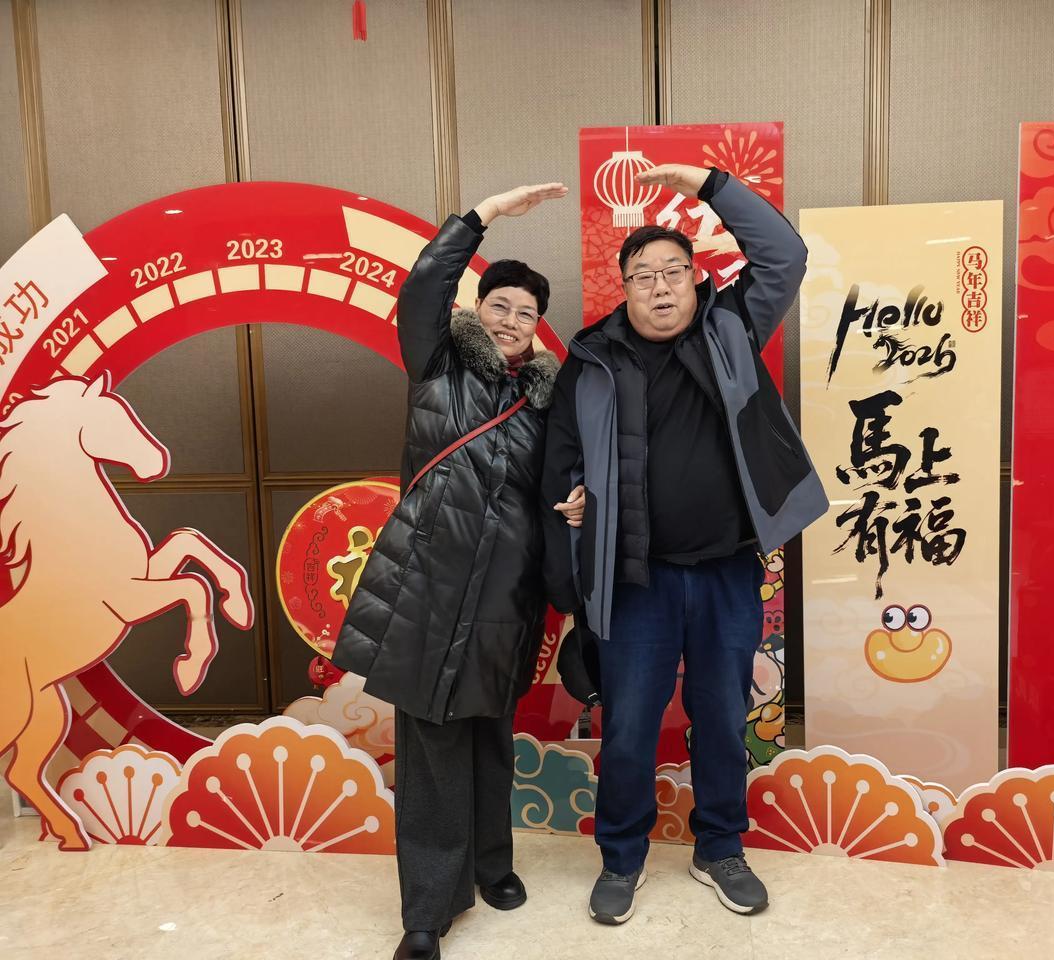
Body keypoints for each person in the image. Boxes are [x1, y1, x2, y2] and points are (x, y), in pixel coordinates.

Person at [541, 163, 828, 924]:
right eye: (643, 276)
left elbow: (785, 255)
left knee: (723, 716)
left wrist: (709, 185)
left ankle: (720, 848)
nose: (660, 288)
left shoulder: (730, 329)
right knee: (630, 724)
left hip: (728, 570)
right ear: (623, 289)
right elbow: (560, 457)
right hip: (634, 579)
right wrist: (571, 498)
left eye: (674, 272)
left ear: (697, 280)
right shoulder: (591, 361)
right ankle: (622, 856)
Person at [333, 182, 583, 960]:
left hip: (507, 597)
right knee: (433, 744)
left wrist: (575, 503)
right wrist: (485, 215)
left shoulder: (546, 403)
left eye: (525, 313)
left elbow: (556, 486)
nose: (510, 321)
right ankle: (427, 910)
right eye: (499, 305)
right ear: (478, 309)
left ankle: (490, 865)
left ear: (538, 329)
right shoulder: (438, 364)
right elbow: (422, 288)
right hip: (428, 590)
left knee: (489, 735)